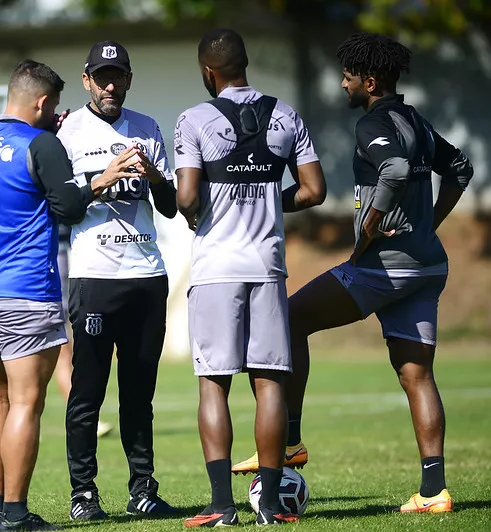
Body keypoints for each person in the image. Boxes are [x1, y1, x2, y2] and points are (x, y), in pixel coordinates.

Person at [233, 32, 474, 514]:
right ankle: (433, 492)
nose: (342, 85)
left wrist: (368, 227)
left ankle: (289, 442)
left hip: (382, 268)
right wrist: (430, 224)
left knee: (289, 318)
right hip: (426, 266)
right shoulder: (417, 120)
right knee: (417, 374)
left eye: (347, 77)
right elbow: (462, 168)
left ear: (369, 80)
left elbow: (397, 170)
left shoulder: (374, 123)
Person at [0, 59, 130, 532]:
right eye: (52, 107)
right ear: (42, 103)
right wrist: (101, 177)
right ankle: (15, 514)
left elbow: (15, 174)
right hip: (26, 291)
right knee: (26, 404)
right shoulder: (43, 144)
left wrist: (43, 136)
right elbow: (70, 207)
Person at [175, 29, 327, 527]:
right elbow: (313, 190)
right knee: (269, 385)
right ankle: (269, 505)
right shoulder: (286, 115)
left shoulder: (194, 118)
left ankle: (222, 506)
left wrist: (200, 207)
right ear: (245, 65)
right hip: (267, 267)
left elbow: (186, 199)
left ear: (208, 73)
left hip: (217, 269)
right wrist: (268, 202)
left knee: (213, 385)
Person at [57, 40, 179, 522]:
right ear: (86, 80)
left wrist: (154, 176)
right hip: (94, 279)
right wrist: (100, 180)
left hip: (146, 277)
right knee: (87, 392)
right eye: (101, 76)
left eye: (119, 75)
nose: (110, 85)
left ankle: (142, 489)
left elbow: (171, 208)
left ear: (129, 79)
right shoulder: (68, 133)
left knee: (139, 394)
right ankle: (83, 494)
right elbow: (61, 207)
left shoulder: (148, 128)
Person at [52, 224, 114, 439]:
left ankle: (84, 419)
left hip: (64, 271)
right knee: (61, 354)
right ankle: (84, 421)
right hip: (47, 279)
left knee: (65, 355)